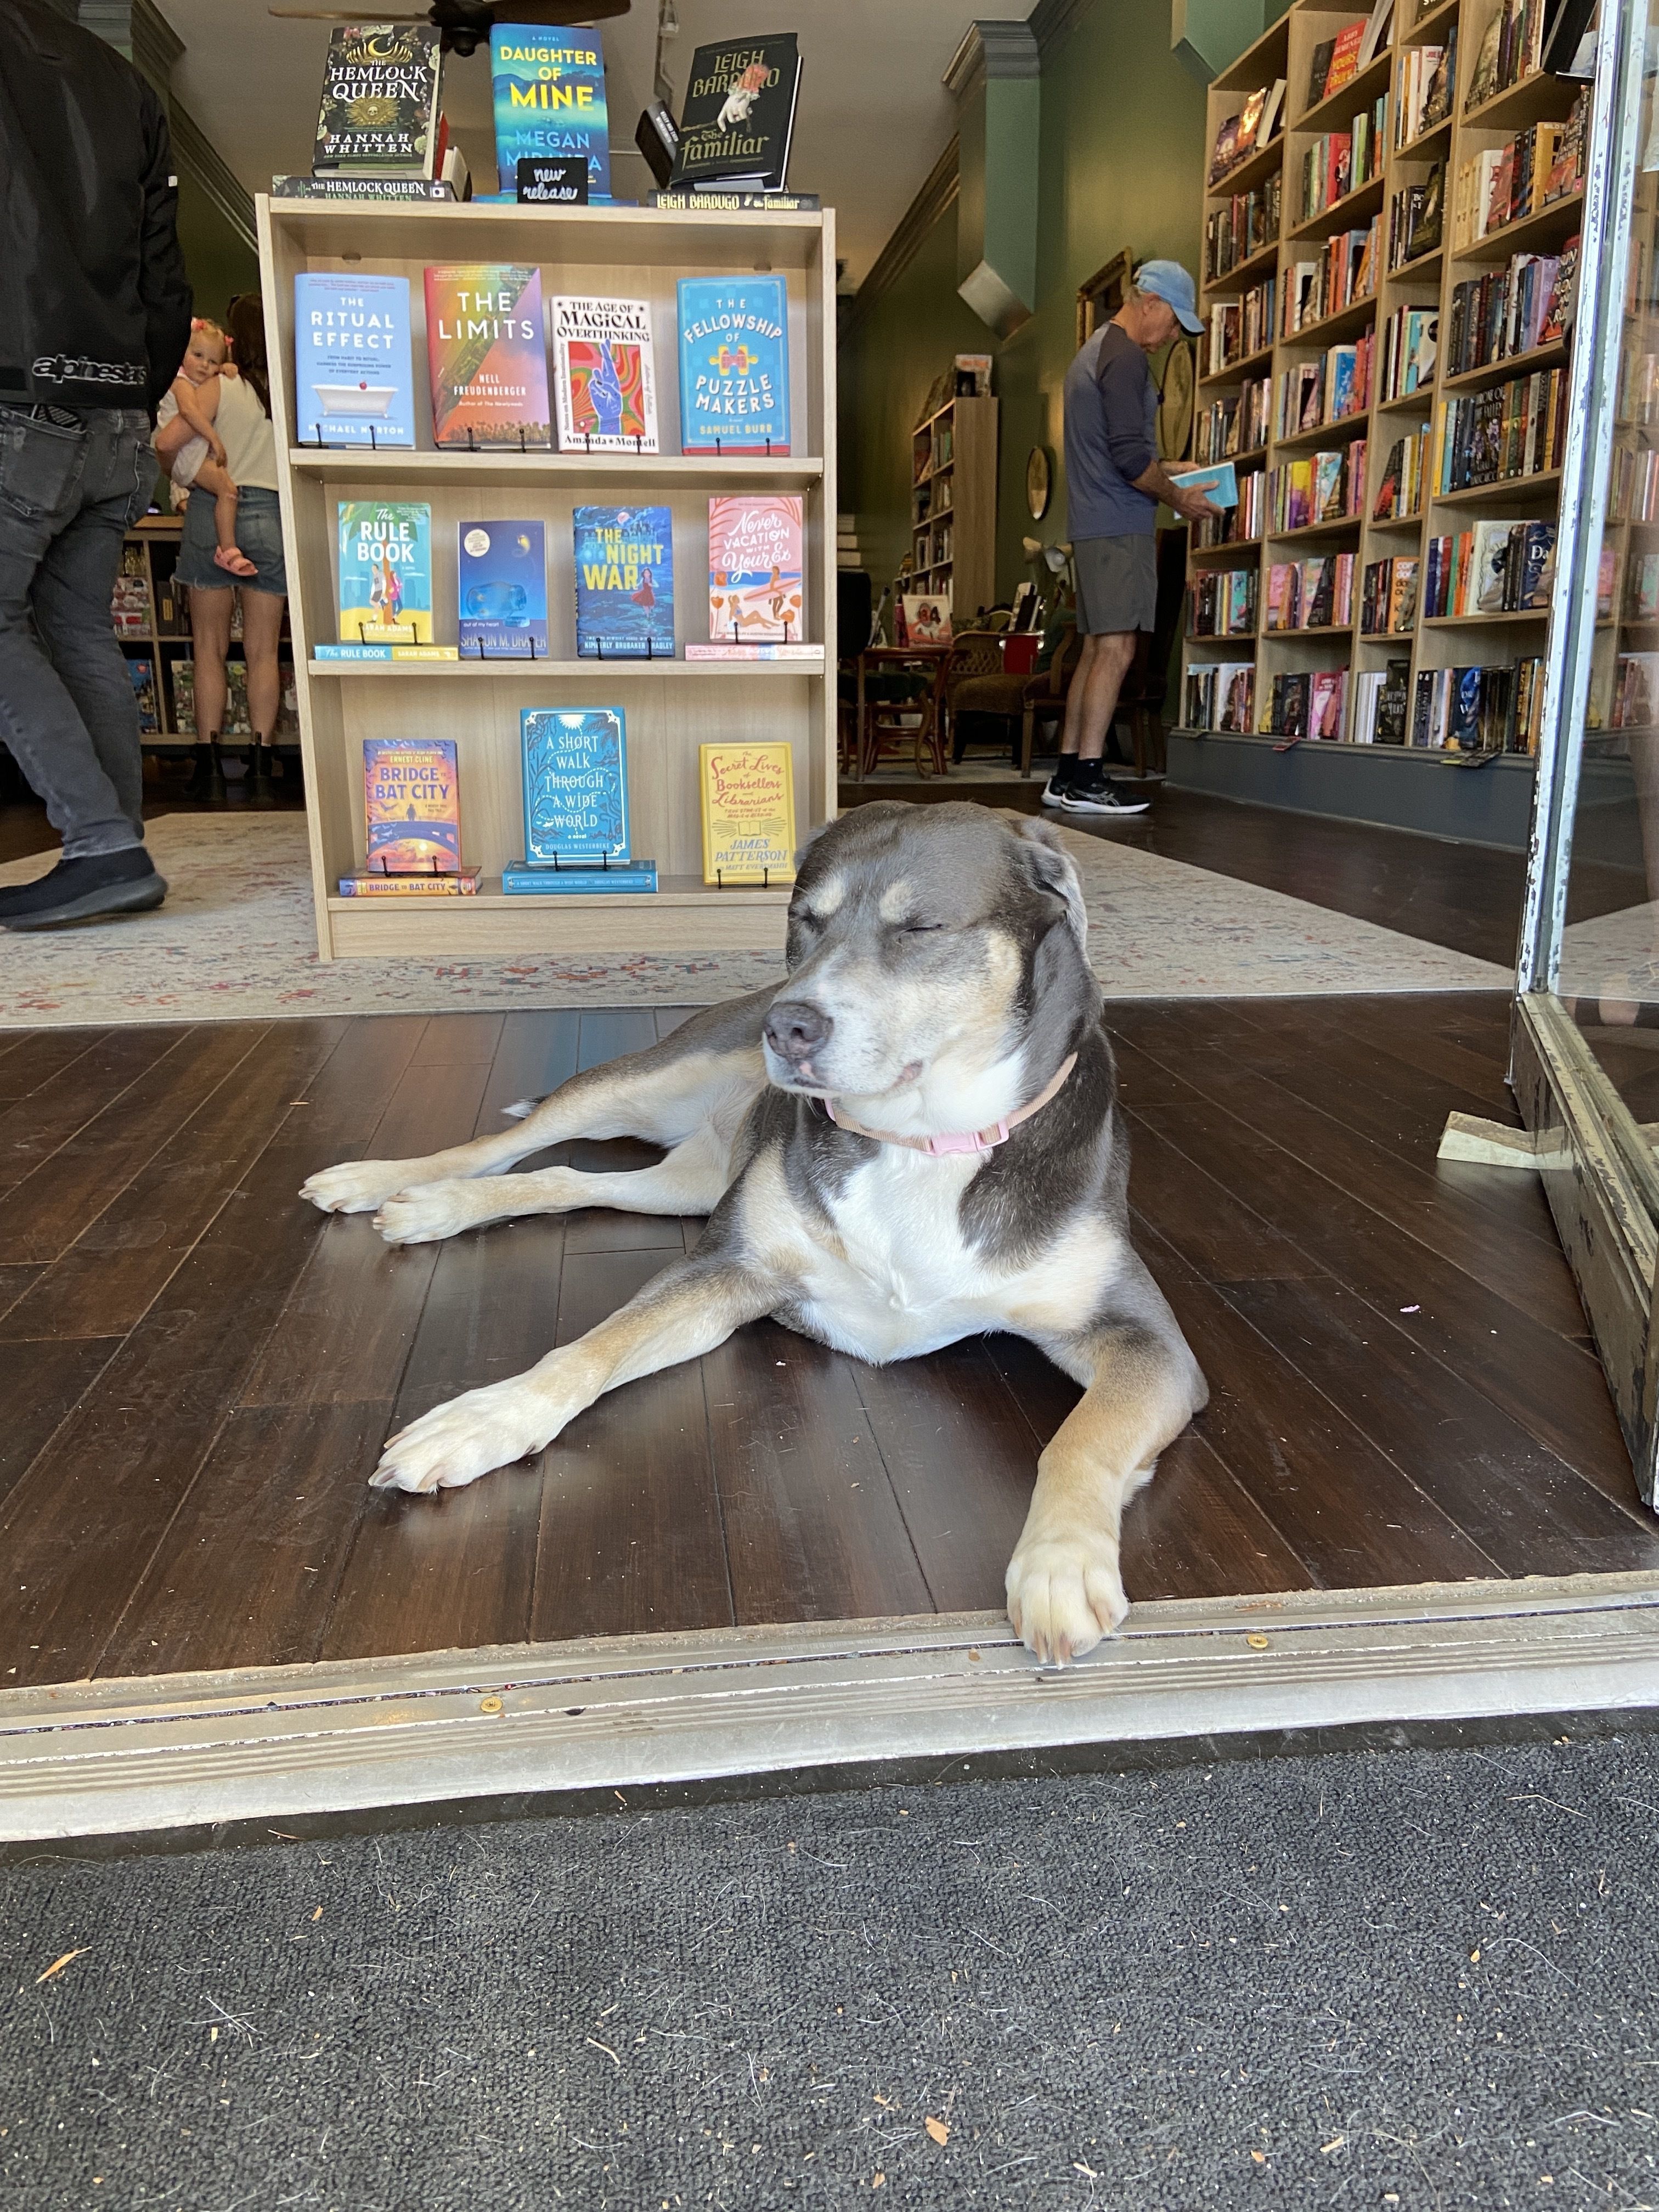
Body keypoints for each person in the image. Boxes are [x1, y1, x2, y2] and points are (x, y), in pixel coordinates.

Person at [0, 0, 191, 930]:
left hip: (16, 397)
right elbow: (165, 269)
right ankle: (117, 848)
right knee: (77, 626)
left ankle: (102, 846)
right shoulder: (126, 81)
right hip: (117, 404)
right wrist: (137, 393)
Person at [1043, 260, 1217, 819]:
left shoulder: (1097, 351)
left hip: (1094, 523)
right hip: (1119, 523)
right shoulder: (1124, 360)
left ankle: (1068, 773)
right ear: (1152, 304)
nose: (1170, 339)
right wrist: (1179, 495)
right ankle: (1090, 778)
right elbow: (1127, 458)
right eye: (1173, 324)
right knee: (1117, 650)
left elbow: (1113, 449)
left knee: (1097, 649)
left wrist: (1169, 467)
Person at [154, 293, 289, 806]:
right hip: (272, 514)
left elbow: (167, 443)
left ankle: (209, 765)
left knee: (209, 648)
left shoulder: (216, 388)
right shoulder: (282, 395)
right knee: (263, 652)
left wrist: (181, 471)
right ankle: (261, 763)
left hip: (215, 507)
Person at [159, 319, 257, 580]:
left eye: (213, 361)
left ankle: (227, 547)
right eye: (198, 356)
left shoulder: (199, 380)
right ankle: (227, 550)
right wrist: (214, 439)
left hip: (190, 453)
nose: (205, 365)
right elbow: (190, 412)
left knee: (227, 489)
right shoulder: (180, 382)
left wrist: (224, 368)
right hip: (184, 456)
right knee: (228, 490)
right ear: (182, 355)